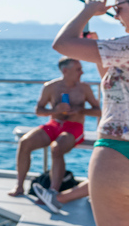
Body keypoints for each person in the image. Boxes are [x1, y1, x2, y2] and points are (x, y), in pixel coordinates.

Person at [50, 0, 129, 226]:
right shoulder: (119, 51)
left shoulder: (124, 46)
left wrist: (87, 10)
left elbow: (62, 45)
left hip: (116, 155)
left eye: (119, 5)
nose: (115, 12)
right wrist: (99, 52)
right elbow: (117, 90)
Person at [7, 57, 100, 197]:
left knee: (56, 148)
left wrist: (80, 111)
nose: (82, 72)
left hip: (74, 128)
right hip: (54, 125)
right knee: (24, 142)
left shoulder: (84, 88)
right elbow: (39, 110)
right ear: (65, 71)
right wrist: (55, 111)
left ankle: (53, 192)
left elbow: (98, 111)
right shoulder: (51, 87)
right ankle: (19, 186)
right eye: (78, 69)